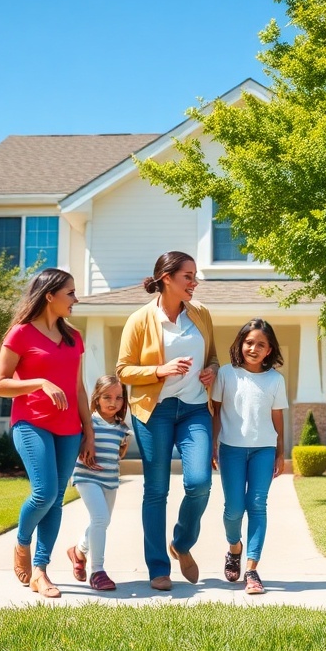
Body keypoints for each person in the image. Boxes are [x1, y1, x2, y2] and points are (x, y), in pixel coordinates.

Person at [117, 251, 219, 590]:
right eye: (187, 276)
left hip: (193, 409)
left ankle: (181, 543)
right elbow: (123, 370)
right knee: (156, 490)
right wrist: (159, 370)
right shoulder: (140, 320)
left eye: (194, 276)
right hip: (154, 412)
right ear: (166, 279)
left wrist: (211, 372)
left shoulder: (201, 313)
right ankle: (158, 568)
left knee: (200, 482)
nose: (194, 282)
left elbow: (215, 358)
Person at [0, 268, 96, 599]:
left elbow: (79, 388)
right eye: (70, 293)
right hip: (31, 422)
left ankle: (40, 571)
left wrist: (89, 431)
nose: (75, 299)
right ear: (50, 295)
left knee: (56, 502)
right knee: (44, 492)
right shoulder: (20, 334)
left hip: (69, 428)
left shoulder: (73, 337)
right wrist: (39, 382)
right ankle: (22, 541)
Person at [211, 318, 288, 595]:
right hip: (231, 448)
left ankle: (252, 570)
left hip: (263, 450)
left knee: (257, 505)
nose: (253, 348)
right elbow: (216, 412)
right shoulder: (226, 375)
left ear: (269, 350)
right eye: (249, 342)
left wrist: (281, 452)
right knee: (233, 508)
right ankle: (235, 548)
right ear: (240, 344)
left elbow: (277, 417)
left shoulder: (275, 380)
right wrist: (212, 445)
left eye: (261, 344)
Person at [67, 375, 132, 592]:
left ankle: (78, 550)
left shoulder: (123, 428)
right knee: (100, 518)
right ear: (96, 398)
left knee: (102, 522)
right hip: (87, 477)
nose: (113, 402)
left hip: (110, 481)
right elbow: (76, 447)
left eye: (118, 398)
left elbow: (119, 454)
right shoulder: (88, 423)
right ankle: (98, 571)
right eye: (107, 397)